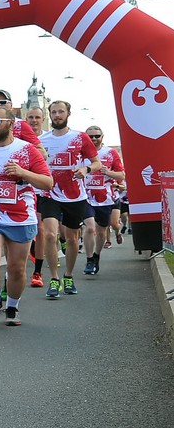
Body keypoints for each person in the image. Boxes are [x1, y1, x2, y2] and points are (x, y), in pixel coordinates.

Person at [0, 107, 52, 325]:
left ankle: (13, 306)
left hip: (20, 215)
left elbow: (47, 182)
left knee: (16, 268)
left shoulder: (27, 150)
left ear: (12, 123)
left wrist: (23, 173)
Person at [38, 100, 101, 298]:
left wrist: (86, 169)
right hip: (49, 192)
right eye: (54, 112)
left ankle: (68, 275)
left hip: (74, 194)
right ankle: (54, 279)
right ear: (50, 115)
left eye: (61, 112)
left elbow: (97, 162)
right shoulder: (42, 139)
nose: (57, 115)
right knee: (49, 235)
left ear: (68, 114)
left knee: (72, 238)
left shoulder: (80, 137)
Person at [81, 126, 125, 275]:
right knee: (90, 228)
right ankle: (88, 260)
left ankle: (96, 256)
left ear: (102, 136)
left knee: (101, 232)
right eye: (90, 136)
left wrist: (109, 172)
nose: (93, 139)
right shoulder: (80, 153)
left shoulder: (110, 153)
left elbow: (121, 176)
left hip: (106, 199)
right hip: (86, 197)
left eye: (96, 136)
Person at [0, 90, 47, 157]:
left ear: (11, 105)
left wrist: (17, 156)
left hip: (12, 168)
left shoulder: (20, 125)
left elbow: (42, 154)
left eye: (3, 102)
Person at [25, 107, 47, 287]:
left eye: (37, 117)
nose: (34, 120)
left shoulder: (47, 138)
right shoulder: (15, 138)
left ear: (43, 119)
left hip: (41, 191)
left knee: (40, 229)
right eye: (30, 117)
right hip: (21, 191)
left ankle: (37, 272)